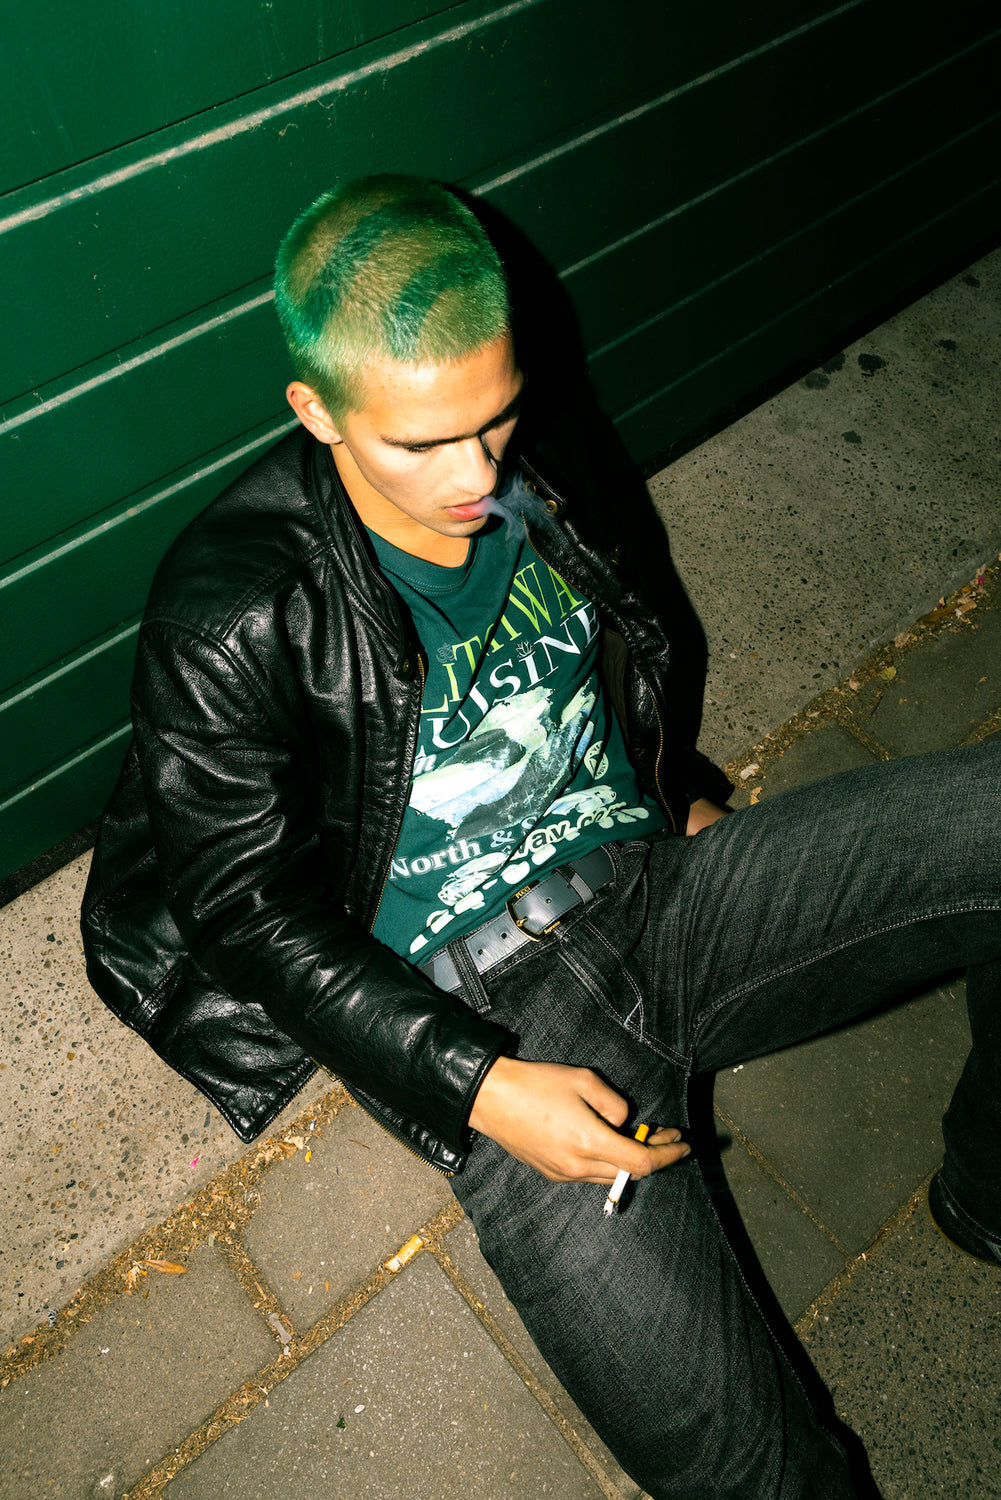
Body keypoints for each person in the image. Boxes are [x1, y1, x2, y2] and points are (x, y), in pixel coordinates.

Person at [82, 174, 1001, 1499]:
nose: (477, 475)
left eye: (495, 417)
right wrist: (478, 1086)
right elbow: (245, 915)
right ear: (316, 411)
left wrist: (673, 786)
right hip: (483, 1015)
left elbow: (633, 643)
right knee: (756, 1471)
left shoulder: (540, 459)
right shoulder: (229, 611)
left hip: (659, 887)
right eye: (422, 443)